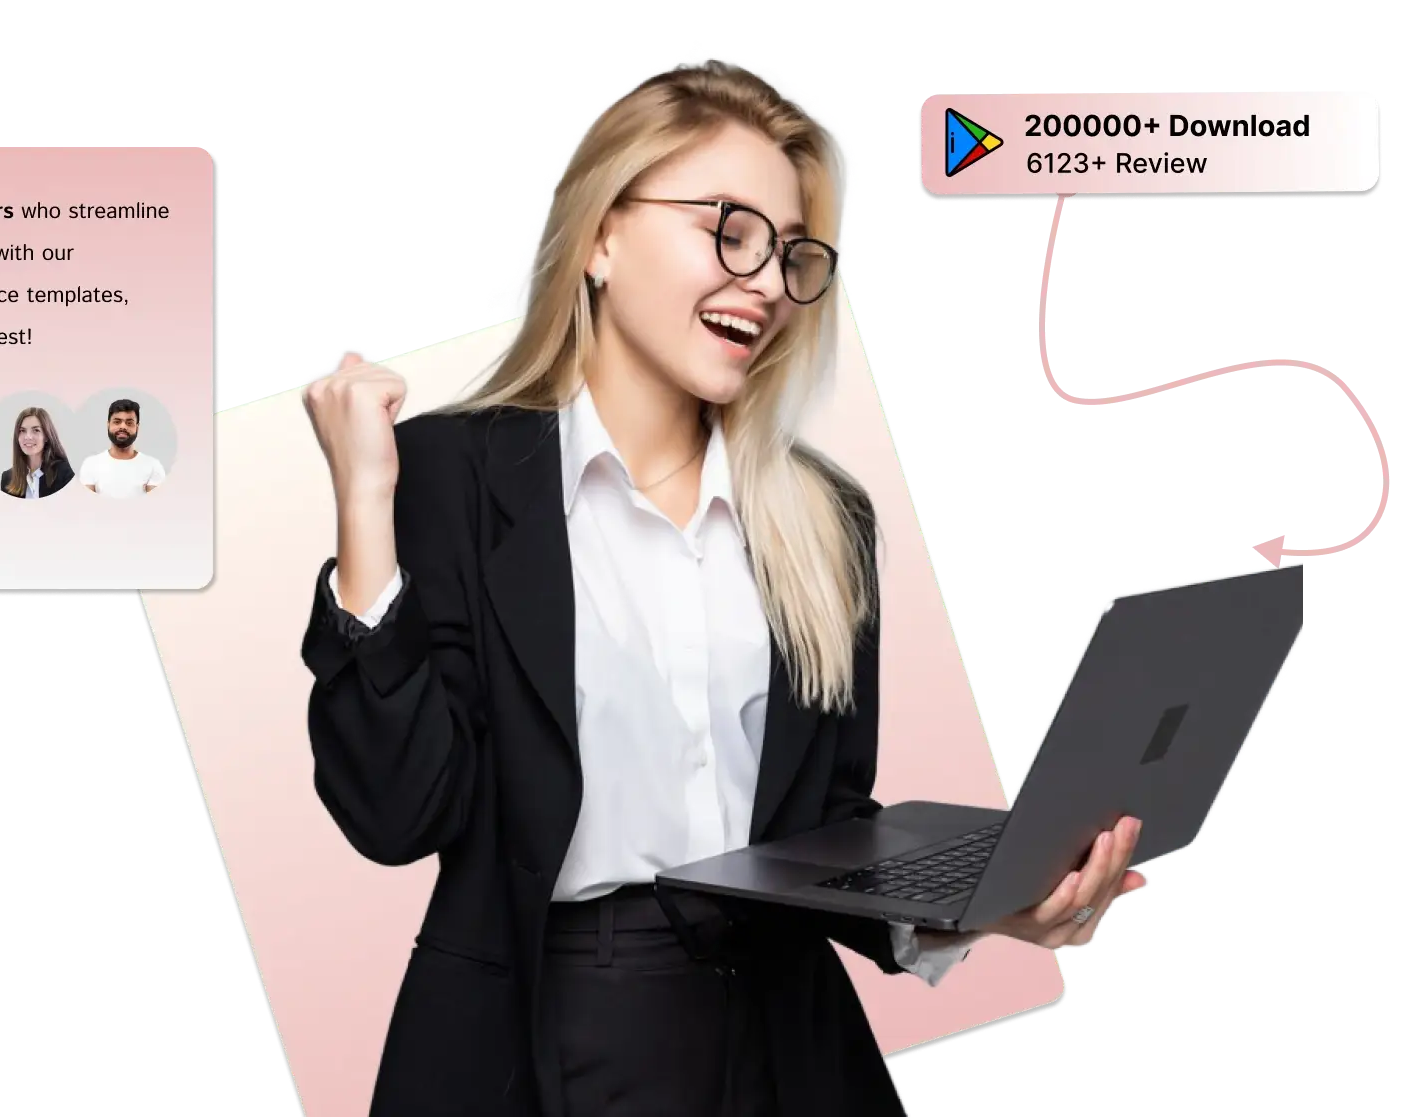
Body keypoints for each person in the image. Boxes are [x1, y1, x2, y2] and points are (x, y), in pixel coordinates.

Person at [300, 60, 1149, 1117]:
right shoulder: (445, 478)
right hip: (551, 1037)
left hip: (787, 1040)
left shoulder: (822, 519)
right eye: (728, 229)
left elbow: (823, 825)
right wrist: (365, 512)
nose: (764, 280)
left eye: (791, 255)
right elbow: (399, 812)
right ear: (603, 236)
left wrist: (983, 902)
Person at [79, 399, 166, 497]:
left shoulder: (153, 466)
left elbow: (157, 506)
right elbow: (86, 505)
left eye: (129, 423)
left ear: (137, 427)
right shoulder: (91, 464)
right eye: (117, 422)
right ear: (108, 425)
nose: (123, 427)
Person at [0, 407, 75, 499]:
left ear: (46, 436)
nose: (28, 437)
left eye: (36, 430)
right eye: (22, 431)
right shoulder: (7, 478)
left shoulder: (64, 472)